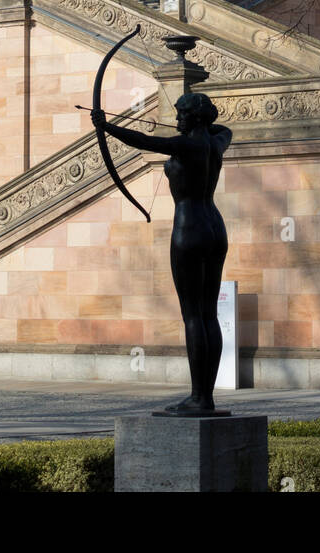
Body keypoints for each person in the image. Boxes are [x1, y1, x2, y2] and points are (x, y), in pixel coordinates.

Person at [91, 90, 232, 415]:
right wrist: (200, 124)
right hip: (214, 226)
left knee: (193, 315)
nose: (177, 119)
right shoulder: (217, 141)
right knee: (208, 313)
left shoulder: (186, 145)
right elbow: (222, 129)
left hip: (190, 227)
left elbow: (142, 141)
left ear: (194, 117)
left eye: (181, 114)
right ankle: (205, 397)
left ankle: (199, 397)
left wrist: (107, 126)